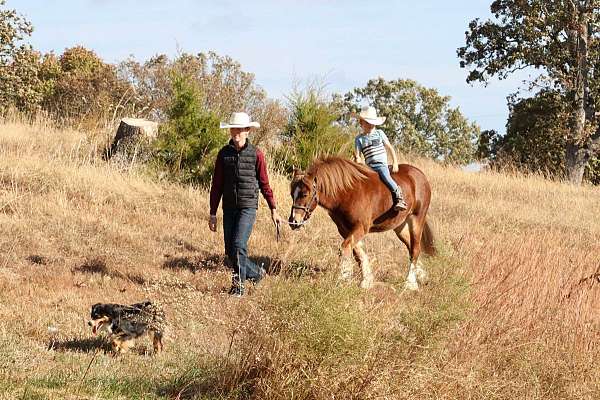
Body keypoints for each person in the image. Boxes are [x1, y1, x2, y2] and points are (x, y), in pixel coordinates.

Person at [208, 112, 284, 296]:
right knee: (230, 250)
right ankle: (256, 273)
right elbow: (216, 185)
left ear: (248, 131)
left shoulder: (256, 154)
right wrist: (212, 212)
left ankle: (238, 287)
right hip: (229, 207)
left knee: (239, 244)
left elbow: (265, 183)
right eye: (234, 128)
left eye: (240, 129)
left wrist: (273, 209)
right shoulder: (223, 154)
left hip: (248, 206)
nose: (236, 132)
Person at [354, 106, 407, 211]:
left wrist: (395, 162)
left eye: (372, 122)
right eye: (367, 122)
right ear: (361, 123)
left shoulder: (379, 133)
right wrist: (358, 160)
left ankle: (399, 197)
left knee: (386, 177)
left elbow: (389, 147)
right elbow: (358, 155)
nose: (370, 125)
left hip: (380, 164)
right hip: (368, 166)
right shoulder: (359, 139)